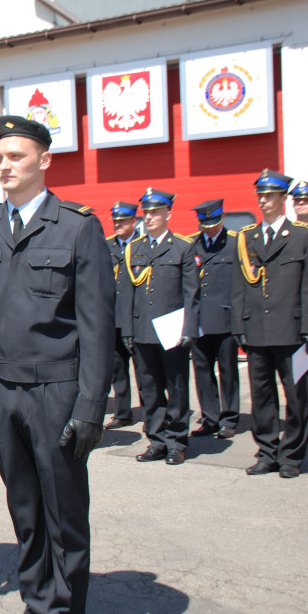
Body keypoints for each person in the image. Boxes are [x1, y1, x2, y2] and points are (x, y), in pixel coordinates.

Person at [0, 116, 113, 614]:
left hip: (57, 391)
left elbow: (95, 326)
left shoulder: (76, 225)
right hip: (2, 394)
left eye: (15, 156)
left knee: (64, 512)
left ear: (44, 161)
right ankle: (37, 600)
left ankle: (66, 606)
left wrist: (91, 405)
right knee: (24, 510)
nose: (4, 165)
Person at [233, 169, 308, 478]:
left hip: (292, 330)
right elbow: (238, 285)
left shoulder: (301, 234)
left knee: (297, 396)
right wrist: (239, 324)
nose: (263, 201)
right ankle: (267, 452)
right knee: (261, 396)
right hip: (257, 330)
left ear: (282, 199)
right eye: (260, 196)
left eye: (269, 196)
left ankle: (291, 456)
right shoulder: (246, 236)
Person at [120, 188, 200, 465]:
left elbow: (192, 294)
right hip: (142, 330)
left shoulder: (182, 247)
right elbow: (127, 293)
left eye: (155, 211)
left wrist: (190, 329)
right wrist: (126, 330)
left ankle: (176, 442)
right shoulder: (135, 248)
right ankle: (156, 440)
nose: (150, 216)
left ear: (168, 213)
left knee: (176, 388)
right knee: (149, 389)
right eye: (147, 212)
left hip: (172, 331)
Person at [189, 199, 240, 440]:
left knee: (228, 370)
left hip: (226, 318)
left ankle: (229, 418)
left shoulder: (234, 243)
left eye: (213, 223)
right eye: (204, 224)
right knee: (202, 372)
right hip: (199, 321)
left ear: (222, 219)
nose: (208, 228)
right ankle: (210, 418)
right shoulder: (193, 245)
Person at [104, 201, 140, 430]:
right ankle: (123, 412)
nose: (118, 224)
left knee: (146, 370)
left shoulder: (143, 244)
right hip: (115, 317)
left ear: (133, 222)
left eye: (123, 221)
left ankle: (152, 410)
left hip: (138, 318)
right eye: (115, 221)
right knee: (118, 369)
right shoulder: (107, 246)